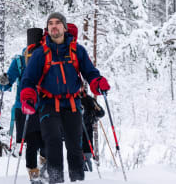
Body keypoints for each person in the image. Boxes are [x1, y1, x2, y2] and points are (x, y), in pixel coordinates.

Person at [20, 12, 111, 183]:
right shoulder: (40, 53)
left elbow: (90, 73)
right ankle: (55, 180)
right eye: (50, 23)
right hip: (48, 103)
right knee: (53, 143)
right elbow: (28, 79)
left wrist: (98, 83)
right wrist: (28, 96)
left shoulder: (77, 51)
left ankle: (77, 180)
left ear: (64, 27)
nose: (54, 26)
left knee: (75, 147)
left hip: (72, 103)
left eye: (57, 23)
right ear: (47, 29)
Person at [0, 28, 46, 184]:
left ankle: (36, 171)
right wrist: (4, 82)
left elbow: (7, 83)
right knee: (40, 141)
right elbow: (7, 83)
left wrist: (4, 82)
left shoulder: (20, 60)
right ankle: (38, 171)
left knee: (37, 141)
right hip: (36, 107)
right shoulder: (21, 61)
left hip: (27, 107)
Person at [80, 93, 105, 172]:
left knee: (87, 156)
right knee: (76, 156)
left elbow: (101, 113)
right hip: (75, 132)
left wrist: (94, 116)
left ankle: (89, 177)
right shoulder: (69, 97)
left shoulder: (89, 99)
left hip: (87, 131)